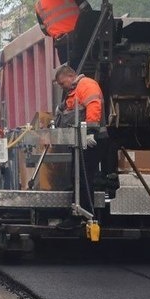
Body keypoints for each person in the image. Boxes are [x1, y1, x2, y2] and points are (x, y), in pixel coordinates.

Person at [53, 65, 104, 221]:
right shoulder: (74, 91)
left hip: (91, 141)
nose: (62, 87)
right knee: (77, 176)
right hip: (80, 141)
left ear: (70, 76)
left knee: (83, 177)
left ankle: (84, 214)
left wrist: (90, 133)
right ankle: (79, 212)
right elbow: (71, 109)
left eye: (62, 83)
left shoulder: (86, 85)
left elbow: (94, 107)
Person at [35, 0, 91, 64]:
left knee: (69, 71)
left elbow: (44, 30)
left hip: (62, 43)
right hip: (81, 37)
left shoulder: (39, 5)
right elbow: (87, 10)